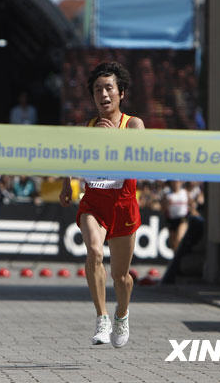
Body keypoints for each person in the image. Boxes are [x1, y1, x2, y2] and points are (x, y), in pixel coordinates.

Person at [59, 62, 144, 348]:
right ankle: (102, 318)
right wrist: (65, 184)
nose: (103, 94)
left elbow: (139, 156)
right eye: (98, 90)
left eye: (109, 88)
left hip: (123, 204)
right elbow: (73, 157)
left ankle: (121, 313)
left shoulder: (133, 124)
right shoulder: (88, 127)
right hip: (93, 200)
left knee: (122, 277)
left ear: (121, 93)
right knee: (94, 251)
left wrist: (113, 139)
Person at [161, 180, 189, 253]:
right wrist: (166, 204)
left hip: (182, 219)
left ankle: (179, 257)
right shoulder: (167, 194)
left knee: (179, 239)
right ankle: (176, 257)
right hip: (171, 219)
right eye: (174, 182)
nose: (176, 184)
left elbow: (191, 204)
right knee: (173, 243)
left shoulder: (184, 192)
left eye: (177, 182)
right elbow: (163, 209)